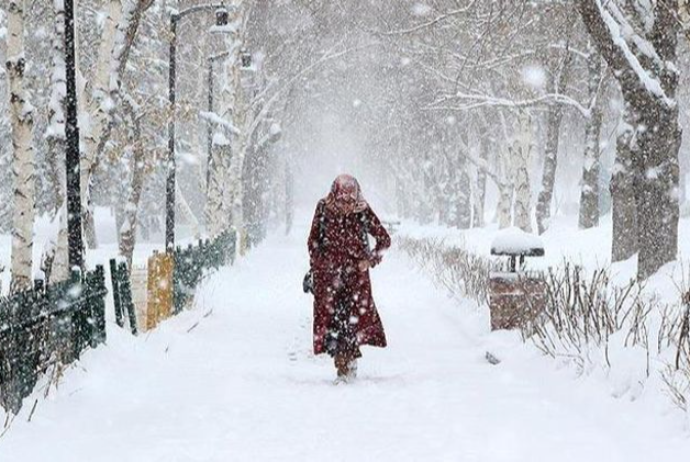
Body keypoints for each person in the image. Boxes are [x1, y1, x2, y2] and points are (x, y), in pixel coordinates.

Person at [307, 174, 391, 383]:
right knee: (333, 324)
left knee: (351, 323)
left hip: (356, 281)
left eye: (350, 201)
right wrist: (321, 264)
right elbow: (313, 241)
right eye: (342, 201)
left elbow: (384, 240)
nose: (346, 206)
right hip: (329, 280)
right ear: (334, 195)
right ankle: (342, 364)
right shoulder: (323, 209)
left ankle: (347, 366)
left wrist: (370, 261)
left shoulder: (362, 211)